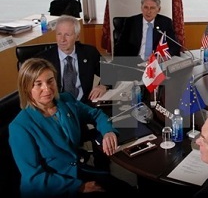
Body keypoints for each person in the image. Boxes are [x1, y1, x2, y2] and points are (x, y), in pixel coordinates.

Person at [9, 58, 136, 197]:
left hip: (78, 171)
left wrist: (108, 131)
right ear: (27, 88)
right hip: (53, 186)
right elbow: (34, 178)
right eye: (38, 84)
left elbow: (95, 114)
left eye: (50, 81)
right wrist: (79, 186)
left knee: (127, 190)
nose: (47, 89)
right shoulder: (20, 127)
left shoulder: (66, 100)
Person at [38, 15, 108, 103]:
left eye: (67, 35)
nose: (62, 39)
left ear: (77, 37)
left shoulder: (89, 52)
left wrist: (103, 86)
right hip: (57, 107)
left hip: (85, 105)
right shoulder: (44, 59)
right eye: (59, 34)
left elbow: (109, 72)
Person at [114, 0, 180, 59]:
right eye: (146, 7)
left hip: (156, 62)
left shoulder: (165, 22)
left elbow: (174, 46)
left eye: (152, 8)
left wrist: (165, 56)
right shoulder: (131, 22)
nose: (148, 12)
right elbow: (120, 46)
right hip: (135, 61)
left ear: (158, 9)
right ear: (141, 8)